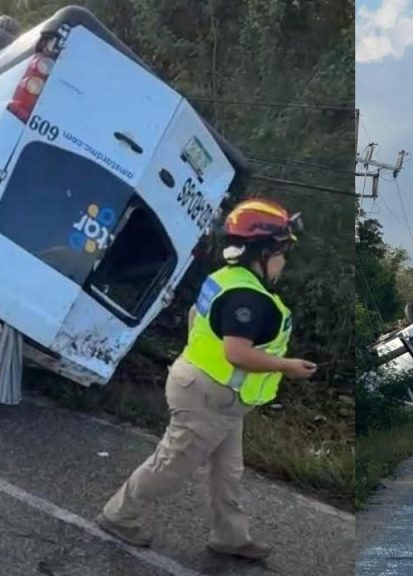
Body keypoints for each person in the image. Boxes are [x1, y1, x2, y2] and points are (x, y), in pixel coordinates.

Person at [96, 198, 316, 561]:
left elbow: (194, 319)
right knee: (171, 465)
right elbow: (237, 353)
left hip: (217, 392)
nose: (283, 261)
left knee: (228, 472)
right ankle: (119, 515)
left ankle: (231, 537)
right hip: (210, 396)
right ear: (261, 251)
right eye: (281, 253)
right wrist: (288, 366)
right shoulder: (248, 296)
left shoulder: (225, 279)